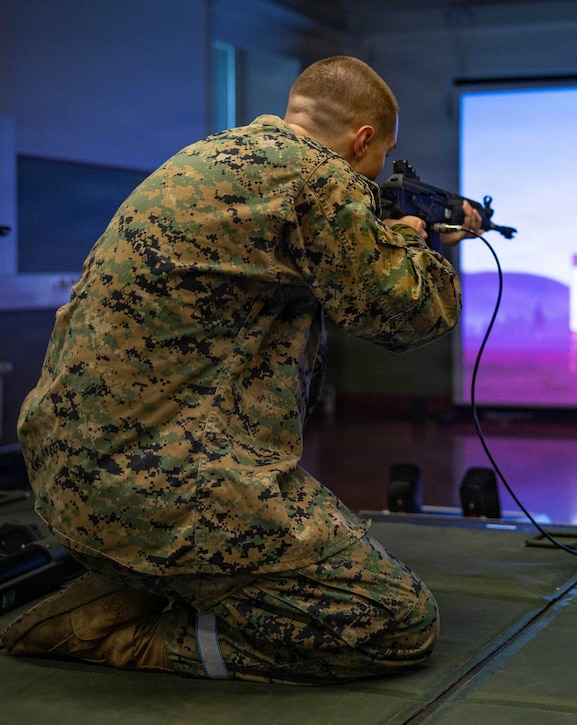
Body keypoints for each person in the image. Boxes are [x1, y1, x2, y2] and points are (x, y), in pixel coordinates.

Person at [1, 56, 480, 684]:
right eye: (380, 160)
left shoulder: (215, 156)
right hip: (164, 489)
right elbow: (413, 313)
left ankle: (141, 580)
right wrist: (415, 243)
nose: (375, 177)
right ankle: (118, 633)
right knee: (393, 621)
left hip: (69, 476)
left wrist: (386, 236)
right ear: (362, 140)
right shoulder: (321, 179)